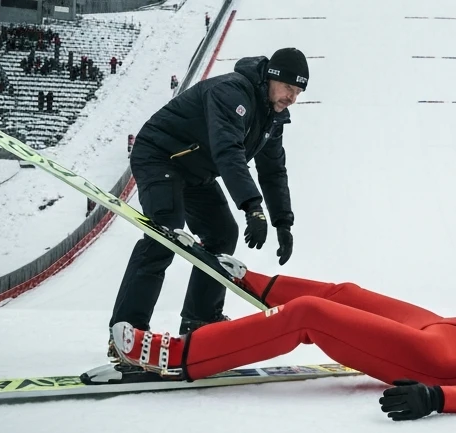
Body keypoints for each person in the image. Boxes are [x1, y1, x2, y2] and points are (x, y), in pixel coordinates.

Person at [109, 261, 456, 421]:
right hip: (448, 328)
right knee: (346, 291)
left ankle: (180, 358)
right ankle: (250, 280)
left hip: (437, 358)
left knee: (309, 317)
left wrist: (437, 397)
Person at [108, 49, 308, 354]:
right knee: (166, 235)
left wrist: (283, 222)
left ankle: (199, 320)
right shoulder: (231, 92)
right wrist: (251, 206)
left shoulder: (273, 118)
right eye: (288, 88)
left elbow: (273, 171)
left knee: (222, 235)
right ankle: (127, 333)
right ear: (271, 78)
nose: (292, 98)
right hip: (161, 156)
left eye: (298, 92)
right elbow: (228, 151)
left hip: (194, 171)